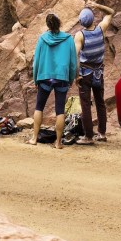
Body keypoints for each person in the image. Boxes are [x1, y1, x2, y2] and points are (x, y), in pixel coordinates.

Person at [27, 13, 77, 149]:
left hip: (45, 76)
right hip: (61, 78)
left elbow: (36, 61)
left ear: (48, 25)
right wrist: (70, 79)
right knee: (60, 110)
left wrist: (36, 79)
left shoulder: (42, 39)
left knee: (39, 106)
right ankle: (58, 143)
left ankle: (34, 138)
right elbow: (73, 63)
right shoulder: (68, 39)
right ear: (59, 23)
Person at [73, 1, 115, 144]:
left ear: (81, 22)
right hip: (99, 72)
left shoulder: (80, 35)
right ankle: (102, 133)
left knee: (85, 105)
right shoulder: (101, 29)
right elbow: (111, 12)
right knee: (100, 102)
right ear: (93, 19)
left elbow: (75, 57)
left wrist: (77, 75)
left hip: (85, 73)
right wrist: (97, 5)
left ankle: (88, 137)